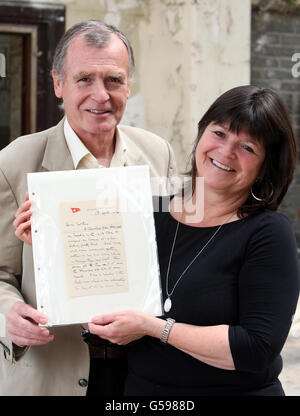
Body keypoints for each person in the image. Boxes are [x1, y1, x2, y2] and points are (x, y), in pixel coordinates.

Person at [83, 85, 299, 395]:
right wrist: (47, 241)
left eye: (247, 147)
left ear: (266, 166)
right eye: (220, 133)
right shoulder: (147, 211)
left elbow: (255, 347)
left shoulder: (267, 233)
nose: (226, 152)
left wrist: (153, 327)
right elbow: (101, 292)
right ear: (201, 133)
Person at [0, 20, 176, 396]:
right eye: (84, 80)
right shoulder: (14, 162)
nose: (101, 95)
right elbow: (0, 273)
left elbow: (173, 254)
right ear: (58, 84)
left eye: (113, 80)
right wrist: (8, 315)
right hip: (55, 369)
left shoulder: (158, 153)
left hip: (143, 370)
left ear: (129, 85)